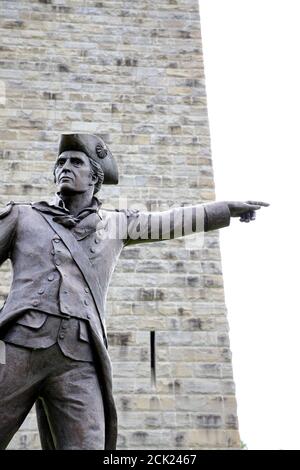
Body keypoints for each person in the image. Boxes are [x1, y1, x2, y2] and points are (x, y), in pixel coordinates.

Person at [0, 133, 269, 450]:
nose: (64, 168)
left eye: (75, 162)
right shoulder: (22, 216)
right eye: (60, 162)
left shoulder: (115, 224)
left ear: (94, 177)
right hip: (17, 347)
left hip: (79, 359)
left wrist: (224, 209)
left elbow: (171, 221)